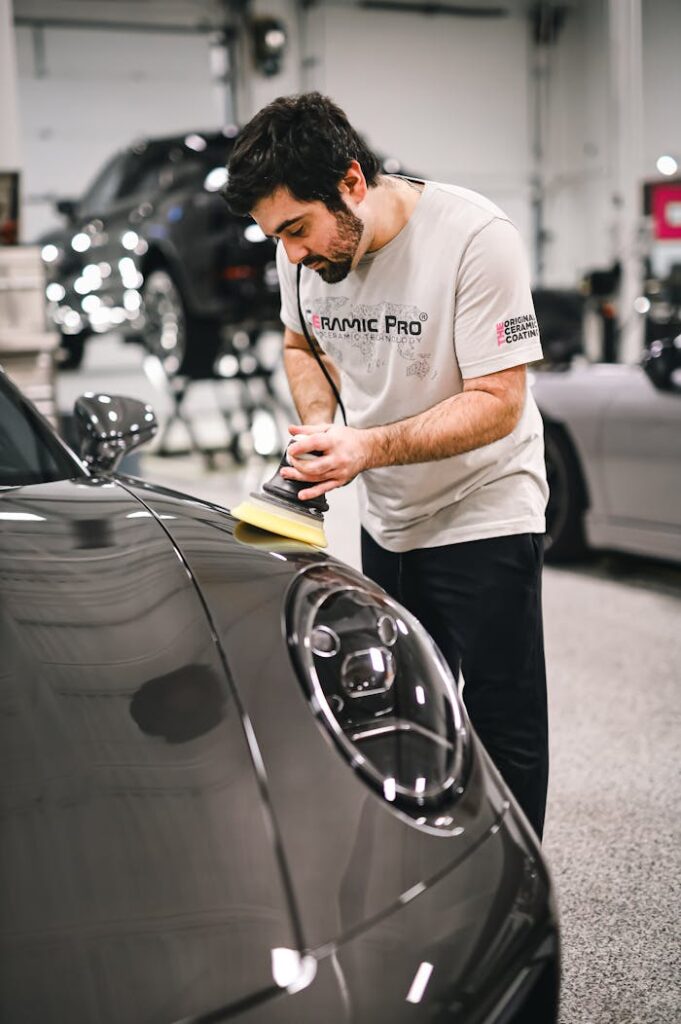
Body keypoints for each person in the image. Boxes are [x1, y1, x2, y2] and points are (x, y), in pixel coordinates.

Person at [223, 92, 549, 840]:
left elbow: (498, 399)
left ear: (351, 182)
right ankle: (422, 858)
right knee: (403, 699)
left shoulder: (474, 238)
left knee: (499, 711)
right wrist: (320, 429)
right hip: (387, 511)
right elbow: (300, 344)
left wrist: (365, 447)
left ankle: (513, 880)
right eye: (278, 237)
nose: (292, 253)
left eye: (297, 230)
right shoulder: (295, 245)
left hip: (483, 503)